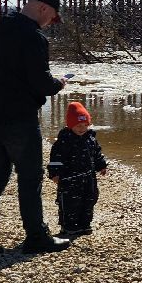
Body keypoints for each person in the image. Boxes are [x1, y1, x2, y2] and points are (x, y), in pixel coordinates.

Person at [0, 0, 69, 258]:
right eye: (53, 17)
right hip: (18, 117)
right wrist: (59, 83)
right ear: (44, 9)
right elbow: (41, 83)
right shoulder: (33, 37)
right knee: (30, 177)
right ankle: (36, 237)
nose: (50, 23)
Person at [47, 100, 108, 238]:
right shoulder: (64, 141)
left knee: (89, 200)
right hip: (69, 179)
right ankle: (69, 226)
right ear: (70, 125)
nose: (82, 128)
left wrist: (101, 165)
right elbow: (55, 158)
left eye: (85, 125)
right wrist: (55, 173)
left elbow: (96, 153)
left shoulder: (90, 138)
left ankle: (85, 224)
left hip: (88, 178)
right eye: (78, 125)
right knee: (70, 203)